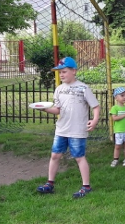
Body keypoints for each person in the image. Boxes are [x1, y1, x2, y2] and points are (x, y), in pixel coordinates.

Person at [36, 57, 101, 199]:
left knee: (79, 156)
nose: (61, 75)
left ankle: (86, 186)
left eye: (64, 71)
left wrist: (95, 120)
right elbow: (57, 110)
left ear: (74, 71)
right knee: (55, 155)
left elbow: (95, 106)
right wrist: (45, 109)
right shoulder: (59, 89)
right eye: (60, 73)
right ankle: (50, 184)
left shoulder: (83, 88)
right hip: (61, 130)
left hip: (77, 130)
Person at [109, 86, 125, 167]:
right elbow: (114, 118)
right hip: (119, 131)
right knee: (118, 146)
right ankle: (115, 159)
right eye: (122, 95)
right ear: (116, 97)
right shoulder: (114, 108)